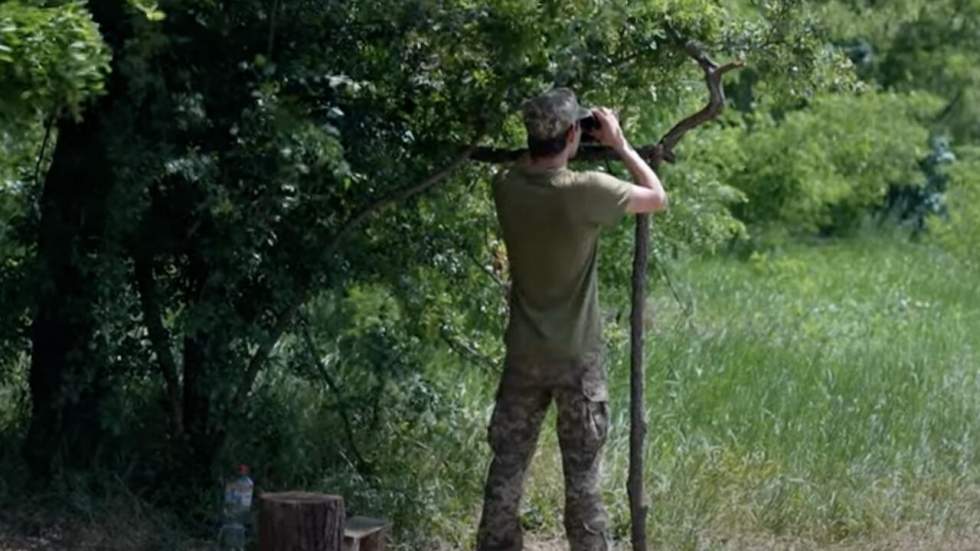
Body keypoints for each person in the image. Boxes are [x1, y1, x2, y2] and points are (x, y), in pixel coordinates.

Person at [476, 87, 667, 551]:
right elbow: (656, 197)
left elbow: (527, 164)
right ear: (569, 136)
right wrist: (619, 144)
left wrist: (559, 141)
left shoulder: (506, 187)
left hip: (523, 353)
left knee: (507, 468)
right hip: (576, 360)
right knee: (582, 479)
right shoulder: (587, 191)